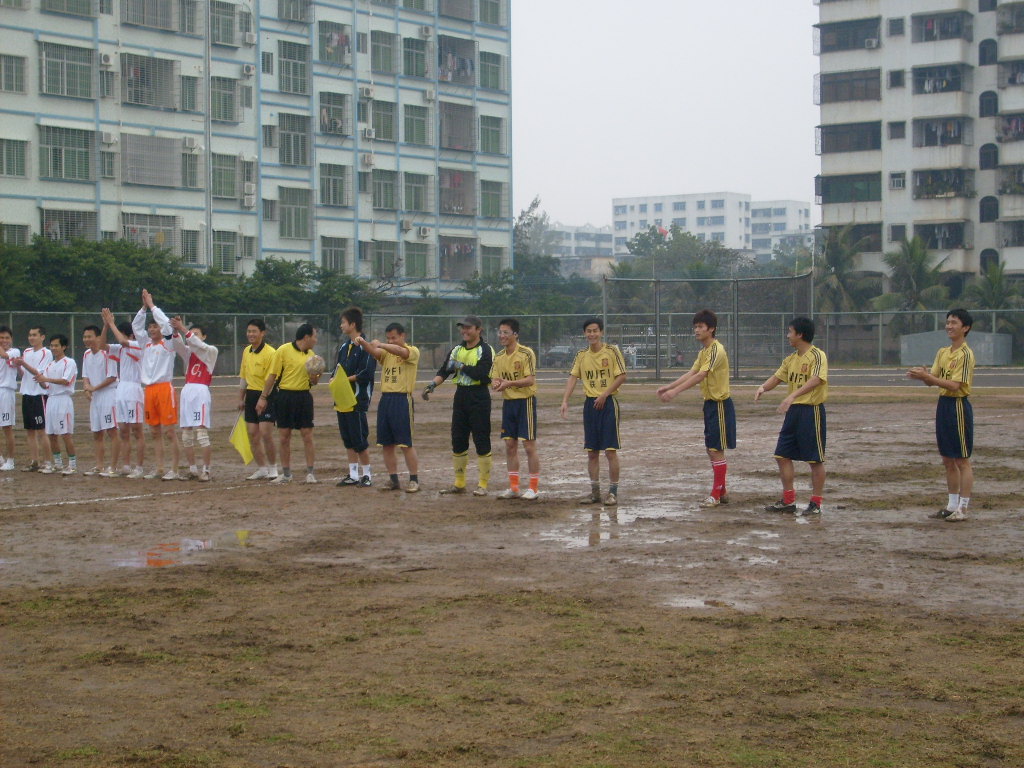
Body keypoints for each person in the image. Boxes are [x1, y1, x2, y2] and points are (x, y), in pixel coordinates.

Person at [656, 309, 735, 507]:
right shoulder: (703, 352)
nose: (696, 330)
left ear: (711, 329)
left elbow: (701, 375)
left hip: (720, 405)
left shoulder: (716, 349)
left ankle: (715, 495)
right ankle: (722, 491)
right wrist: (669, 386)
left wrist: (675, 392)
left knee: (716, 449)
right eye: (695, 327)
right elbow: (692, 372)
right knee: (711, 449)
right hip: (710, 404)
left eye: (700, 327)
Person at [755, 316, 828, 517]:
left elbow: (816, 379)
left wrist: (792, 395)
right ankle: (788, 501)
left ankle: (816, 503)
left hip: (811, 411)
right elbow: (777, 377)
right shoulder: (791, 359)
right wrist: (763, 388)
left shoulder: (817, 355)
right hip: (793, 413)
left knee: (815, 459)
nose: (787, 335)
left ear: (800, 334)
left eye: (790, 332)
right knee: (782, 455)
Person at [907, 308, 975, 522]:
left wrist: (929, 378)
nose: (949, 326)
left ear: (965, 328)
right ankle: (951, 505)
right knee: (947, 459)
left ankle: (963, 508)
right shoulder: (943, 352)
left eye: (954, 323)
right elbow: (933, 380)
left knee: (962, 459)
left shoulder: (965, 354)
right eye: (948, 322)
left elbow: (955, 385)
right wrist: (923, 376)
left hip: (958, 405)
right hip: (944, 404)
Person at [423, 315, 495, 496]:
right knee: (458, 439)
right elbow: (445, 370)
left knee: (481, 439)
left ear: (478, 330)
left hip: (479, 396)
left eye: (468, 328)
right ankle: (459, 483)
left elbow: (482, 374)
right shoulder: (456, 349)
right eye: (463, 328)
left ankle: (483, 484)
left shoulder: (486, 350)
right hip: (461, 396)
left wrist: (461, 366)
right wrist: (432, 385)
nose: (464, 331)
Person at [559, 317, 627, 505]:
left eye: (595, 330)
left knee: (610, 451)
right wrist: (565, 401)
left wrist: (605, 394)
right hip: (590, 406)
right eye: (589, 331)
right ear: (585, 333)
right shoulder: (581, 355)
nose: (592, 334)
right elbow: (573, 377)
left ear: (601, 332)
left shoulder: (612, 351)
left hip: (608, 404)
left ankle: (612, 493)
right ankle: (595, 492)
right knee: (592, 452)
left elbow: (622, 376)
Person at [356, 322, 421, 492]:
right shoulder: (386, 353)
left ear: (402, 336)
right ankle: (393, 479)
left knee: (405, 443)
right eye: (388, 338)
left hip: (402, 400)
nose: (391, 341)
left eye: (394, 338)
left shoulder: (412, 351)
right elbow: (374, 351)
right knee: (386, 443)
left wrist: (382, 344)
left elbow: (400, 351)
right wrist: (364, 342)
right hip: (386, 399)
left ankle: (414, 479)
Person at [257, 323, 321, 484]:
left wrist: (315, 376)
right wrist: (263, 397)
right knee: (284, 436)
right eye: (314, 336)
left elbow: (314, 382)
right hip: (285, 396)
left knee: (307, 434)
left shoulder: (312, 355)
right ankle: (286, 474)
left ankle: (310, 473)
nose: (316, 340)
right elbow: (272, 376)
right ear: (306, 337)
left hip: (304, 397)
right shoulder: (283, 350)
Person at [490, 318, 541, 500]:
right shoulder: (499, 357)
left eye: (505, 332)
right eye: (500, 332)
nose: (501, 336)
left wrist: (509, 383)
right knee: (510, 445)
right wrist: (496, 384)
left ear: (515, 334)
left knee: (528, 445)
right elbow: (494, 379)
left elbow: (530, 380)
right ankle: (514, 488)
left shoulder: (526, 353)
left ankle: (533, 488)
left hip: (525, 402)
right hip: (508, 404)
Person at [134, 289, 181, 480]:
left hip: (164, 389)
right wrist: (143, 308)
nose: (152, 329)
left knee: (169, 432)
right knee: (154, 431)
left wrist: (152, 306)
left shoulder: (168, 343)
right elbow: (136, 327)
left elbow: (167, 326)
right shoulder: (145, 344)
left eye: (155, 326)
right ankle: (160, 468)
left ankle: (174, 469)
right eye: (150, 327)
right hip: (149, 390)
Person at [170, 316, 218, 482]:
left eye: (197, 334)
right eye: (192, 333)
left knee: (201, 434)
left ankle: (206, 470)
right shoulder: (189, 352)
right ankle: (192, 469)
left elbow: (198, 345)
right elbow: (178, 345)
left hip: (200, 391)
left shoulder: (211, 351)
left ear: (204, 336)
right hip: (187, 390)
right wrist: (175, 330)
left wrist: (184, 329)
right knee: (186, 434)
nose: (193, 337)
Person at [332, 307, 376, 487]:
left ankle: (367, 475)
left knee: (359, 440)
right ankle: (353, 474)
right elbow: (337, 370)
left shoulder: (366, 346)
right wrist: (334, 379)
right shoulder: (344, 347)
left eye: (343, 322)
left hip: (357, 399)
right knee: (348, 439)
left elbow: (367, 373)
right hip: (342, 399)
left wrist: (345, 380)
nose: (341, 325)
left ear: (353, 324)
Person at [101, 308, 145, 478]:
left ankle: (139, 467)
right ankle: (126, 466)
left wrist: (111, 323)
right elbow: (101, 346)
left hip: (134, 390)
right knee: (124, 431)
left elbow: (121, 340)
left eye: (123, 334)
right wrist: (106, 326)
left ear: (131, 335)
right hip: (121, 391)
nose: (119, 337)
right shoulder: (119, 348)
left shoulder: (137, 346)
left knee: (137, 431)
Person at [237, 318, 278, 480]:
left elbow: (271, 380)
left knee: (265, 433)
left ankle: (273, 468)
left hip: (266, 395)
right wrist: (241, 398)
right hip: (251, 395)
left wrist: (263, 398)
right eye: (249, 331)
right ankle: (262, 468)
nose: (251, 334)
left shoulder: (271, 353)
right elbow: (243, 377)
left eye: (254, 331)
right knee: (252, 433)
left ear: (262, 333)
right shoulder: (246, 351)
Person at [33, 334, 78, 475]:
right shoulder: (50, 365)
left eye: (56, 345)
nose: (53, 348)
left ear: (64, 347)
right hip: (51, 400)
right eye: (51, 345)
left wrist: (46, 379)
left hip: (63, 400)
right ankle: (58, 464)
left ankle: (72, 465)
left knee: (65, 434)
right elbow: (46, 385)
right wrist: (40, 380)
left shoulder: (69, 362)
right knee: (51, 434)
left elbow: (65, 381)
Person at [80, 324, 120, 477]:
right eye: (85, 337)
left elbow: (112, 377)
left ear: (98, 337)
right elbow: (85, 376)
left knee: (112, 431)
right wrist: (86, 388)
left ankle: (113, 467)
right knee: (97, 433)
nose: (86, 339)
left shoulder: (107, 353)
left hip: (108, 396)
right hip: (95, 398)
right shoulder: (86, 354)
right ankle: (99, 466)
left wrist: (94, 388)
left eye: (90, 336)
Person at [17, 325, 52, 472]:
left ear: (42, 337)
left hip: (39, 395)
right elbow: (23, 374)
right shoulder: (26, 352)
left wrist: (23, 363)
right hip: (27, 394)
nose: (31, 337)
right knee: (30, 430)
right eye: (30, 335)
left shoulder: (46, 353)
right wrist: (18, 366)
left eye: (34, 335)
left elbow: (38, 373)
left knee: (41, 430)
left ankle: (48, 462)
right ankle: (34, 461)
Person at [0, 326, 20, 470]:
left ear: (11, 339)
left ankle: (10, 460)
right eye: (1, 338)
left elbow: (4, 356)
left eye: (7, 338)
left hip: (6, 392)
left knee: (7, 427)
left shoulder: (15, 352)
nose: (4, 340)